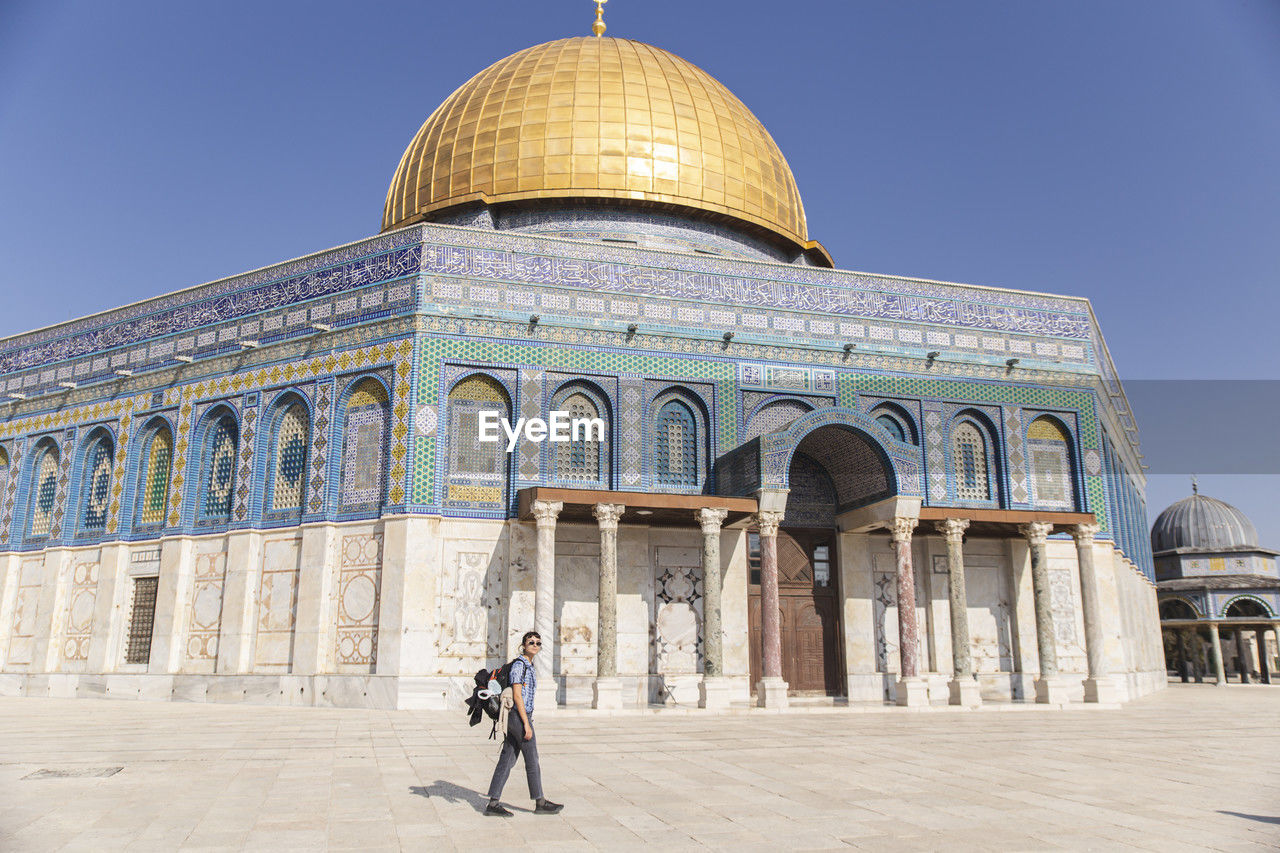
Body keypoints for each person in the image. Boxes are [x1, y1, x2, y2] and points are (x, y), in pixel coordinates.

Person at [485, 630, 564, 816]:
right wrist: (526, 724)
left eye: (537, 643)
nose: (534, 645)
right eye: (531, 642)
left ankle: (493, 803)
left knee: (507, 758)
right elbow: (517, 695)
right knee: (532, 758)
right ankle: (540, 801)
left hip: (520, 716)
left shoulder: (529, 666)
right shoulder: (520, 666)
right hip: (518, 717)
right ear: (523, 645)